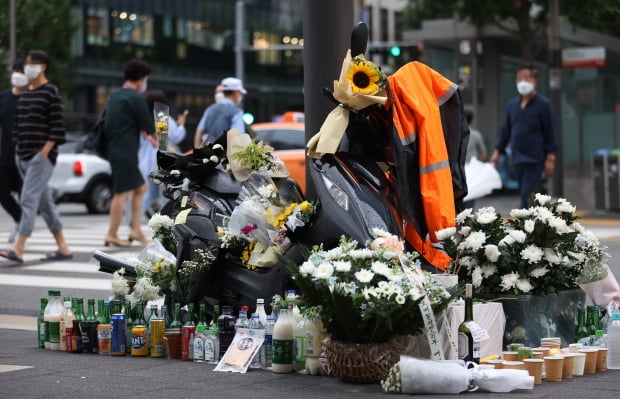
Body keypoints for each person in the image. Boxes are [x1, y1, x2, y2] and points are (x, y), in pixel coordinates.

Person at [0, 50, 72, 263]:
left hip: (40, 158)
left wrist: (45, 151)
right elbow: (17, 125)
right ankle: (63, 247)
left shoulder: (50, 91)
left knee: (27, 199)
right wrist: (17, 145)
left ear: (42, 67)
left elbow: (58, 126)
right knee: (45, 204)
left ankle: (18, 248)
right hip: (21, 155)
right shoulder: (26, 93)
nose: (26, 68)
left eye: (31, 64)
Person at [489, 64, 558, 209]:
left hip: (535, 158)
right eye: (519, 78)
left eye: (526, 78)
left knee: (527, 194)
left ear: (535, 81)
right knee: (524, 193)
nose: (522, 82)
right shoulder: (512, 105)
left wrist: (550, 158)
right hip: (517, 157)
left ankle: (525, 225)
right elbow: (505, 131)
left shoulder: (544, 105)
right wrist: (497, 152)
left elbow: (550, 132)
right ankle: (534, 222)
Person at [103, 59, 155, 247]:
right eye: (146, 78)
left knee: (140, 188)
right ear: (141, 78)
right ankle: (112, 233)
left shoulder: (114, 95)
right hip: (126, 151)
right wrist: (161, 140)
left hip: (114, 148)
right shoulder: (135, 98)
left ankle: (136, 230)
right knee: (121, 192)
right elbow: (150, 127)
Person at [140, 90, 188, 217]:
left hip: (147, 162)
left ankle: (136, 218)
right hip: (161, 160)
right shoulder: (161, 117)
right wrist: (182, 124)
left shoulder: (145, 118)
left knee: (151, 193)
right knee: (165, 192)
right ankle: (164, 218)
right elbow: (175, 137)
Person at [0, 60, 28, 243]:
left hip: (27, 156)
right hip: (6, 155)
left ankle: (23, 230)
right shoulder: (3, 97)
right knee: (2, 193)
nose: (18, 74)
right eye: (16, 71)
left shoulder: (31, 97)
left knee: (25, 195)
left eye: (21, 71)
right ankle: (20, 221)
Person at [194, 77, 246, 148]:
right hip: (225, 155)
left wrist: (197, 149)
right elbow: (238, 137)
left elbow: (199, 130)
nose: (240, 95)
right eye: (240, 92)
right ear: (235, 92)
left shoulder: (210, 109)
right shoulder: (237, 112)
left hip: (208, 153)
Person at [462, 110, 488, 210]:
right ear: (472, 121)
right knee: (471, 192)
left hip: (459, 168)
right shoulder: (476, 135)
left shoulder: (457, 134)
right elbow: (484, 154)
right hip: (472, 168)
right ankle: (467, 215)